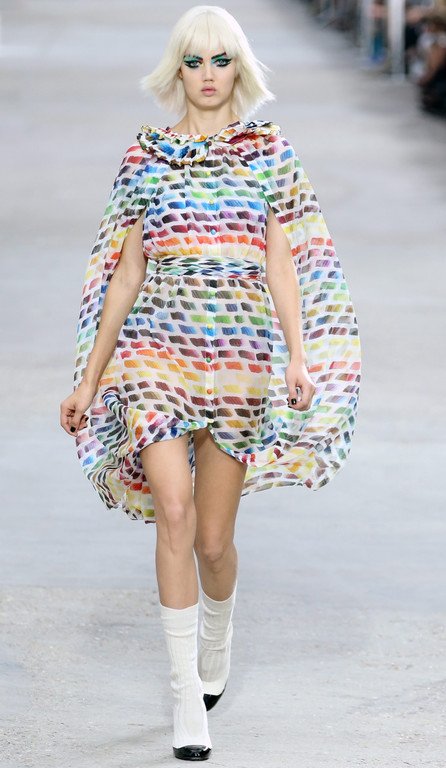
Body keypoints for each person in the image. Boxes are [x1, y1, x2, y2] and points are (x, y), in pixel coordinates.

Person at [59, 4, 361, 762]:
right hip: (156, 350)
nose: (206, 74)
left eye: (220, 60)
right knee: (174, 511)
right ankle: (185, 696)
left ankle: (217, 634)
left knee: (215, 540)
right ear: (177, 69)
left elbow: (282, 264)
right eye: (193, 61)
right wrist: (90, 380)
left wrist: (298, 358)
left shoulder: (269, 152)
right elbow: (126, 272)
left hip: (239, 356)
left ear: (239, 68)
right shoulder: (147, 155)